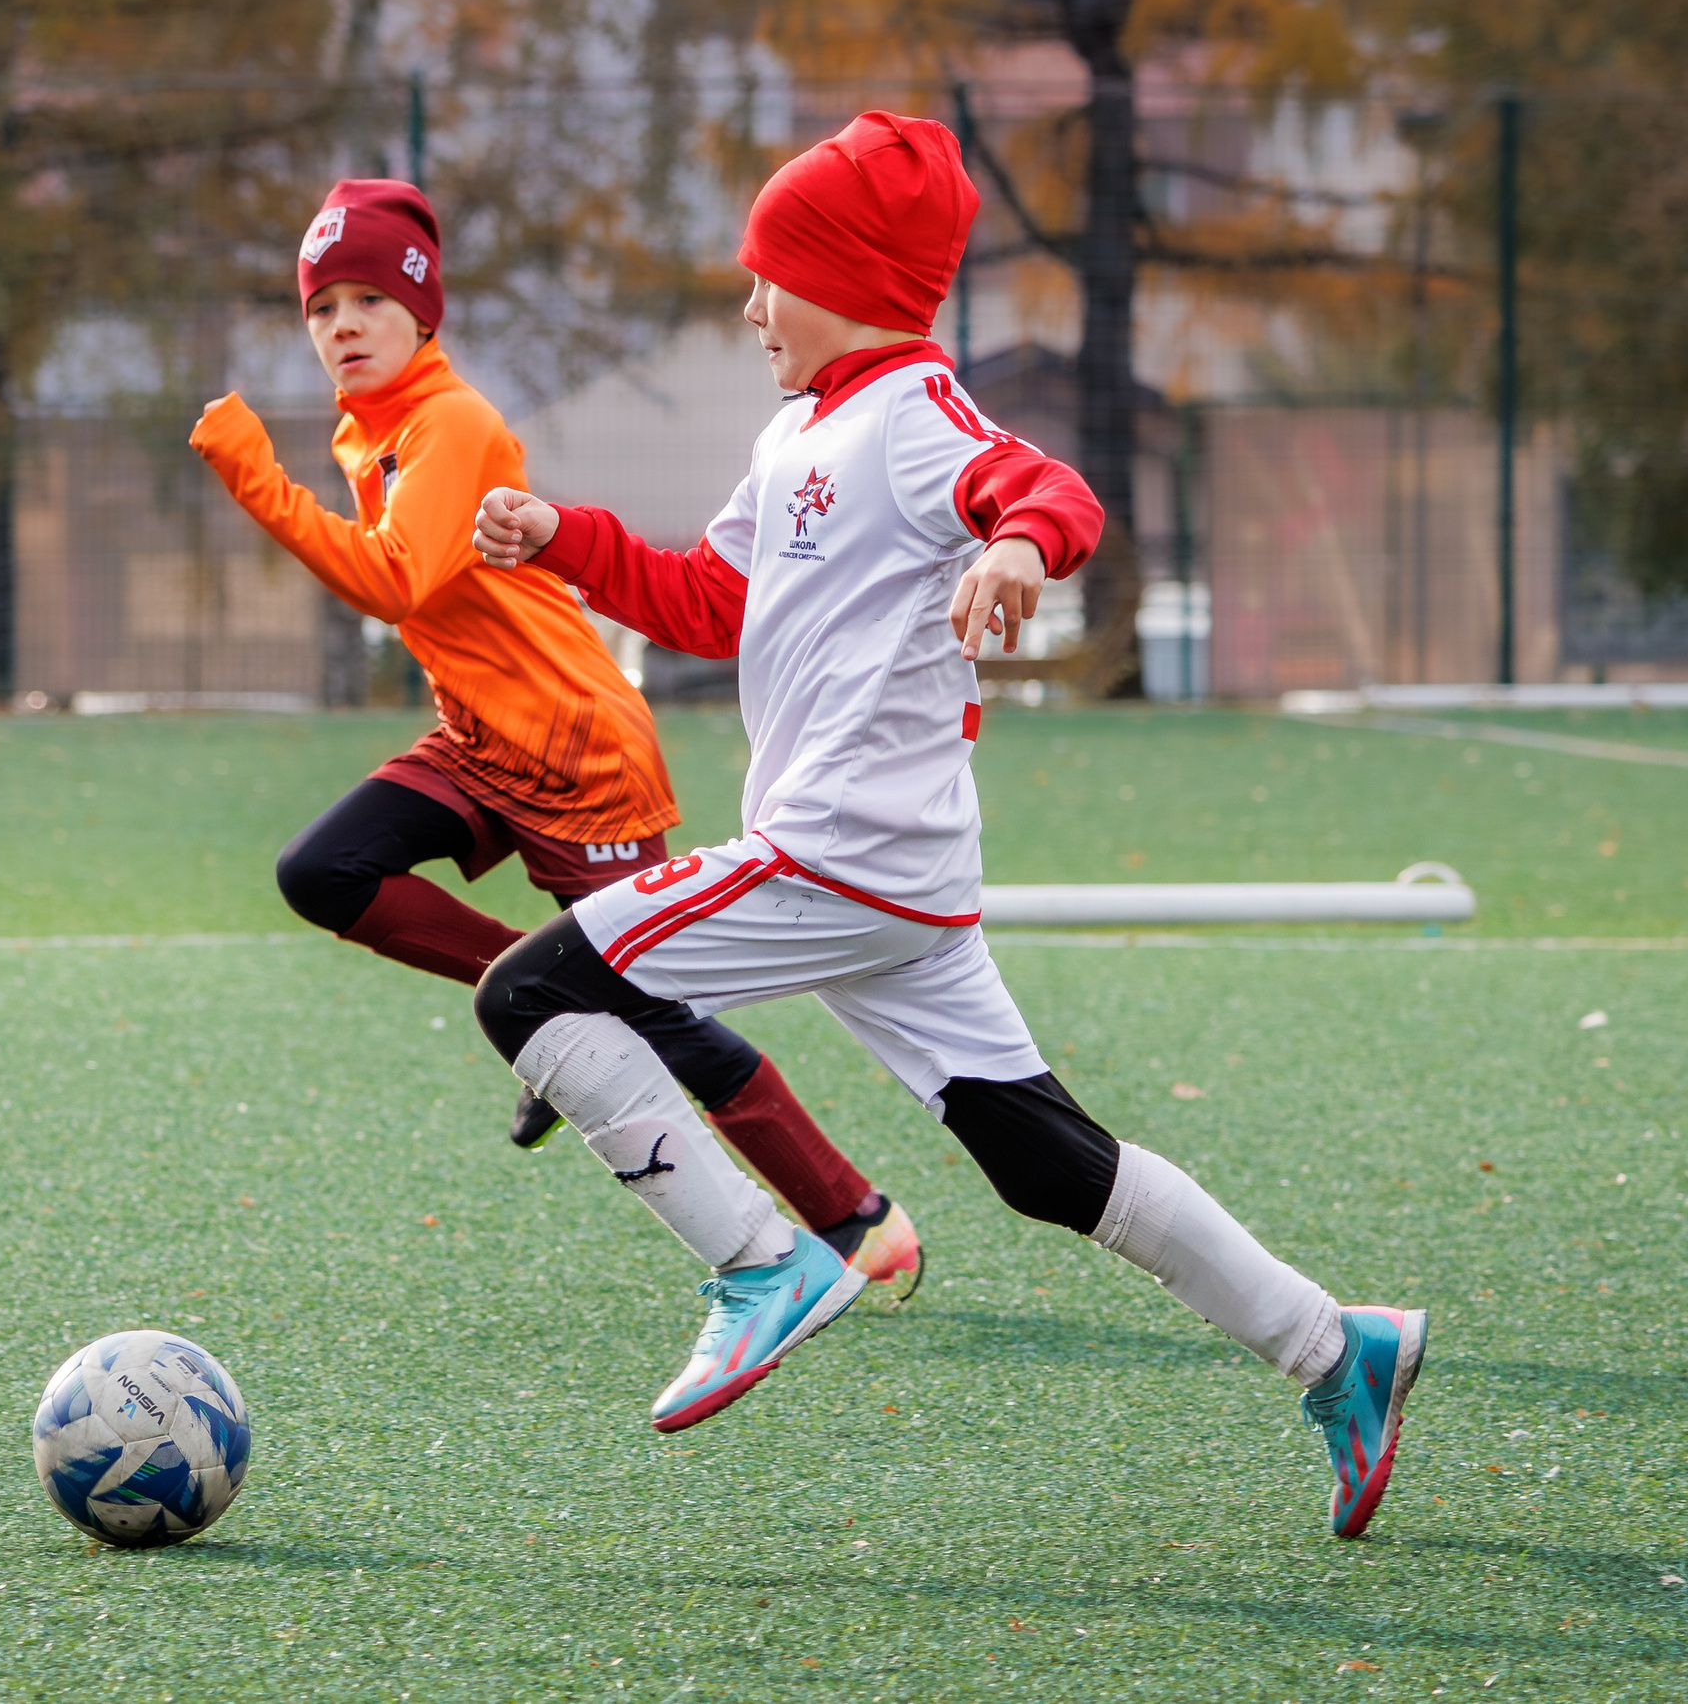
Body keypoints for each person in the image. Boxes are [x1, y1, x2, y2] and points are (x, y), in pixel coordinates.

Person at [468, 112, 1426, 1538]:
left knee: (529, 988)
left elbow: (1049, 490)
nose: (749, 307)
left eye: (767, 275)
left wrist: (1020, 547)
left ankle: (759, 1265)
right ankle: (1332, 1344)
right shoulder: (800, 428)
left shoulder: (915, 417)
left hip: (841, 851)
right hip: (888, 882)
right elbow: (707, 602)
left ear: (848, 277)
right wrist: (567, 539)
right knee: (1047, 1160)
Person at [188, 178, 922, 1292]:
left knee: (656, 1012)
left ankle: (852, 1213)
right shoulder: (369, 433)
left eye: (367, 301)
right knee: (323, 872)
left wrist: (253, 473)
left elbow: (394, 582)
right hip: (479, 743)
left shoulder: (451, 423)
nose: (341, 324)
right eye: (321, 305)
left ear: (421, 314)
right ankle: (541, 986)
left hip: (578, 754)